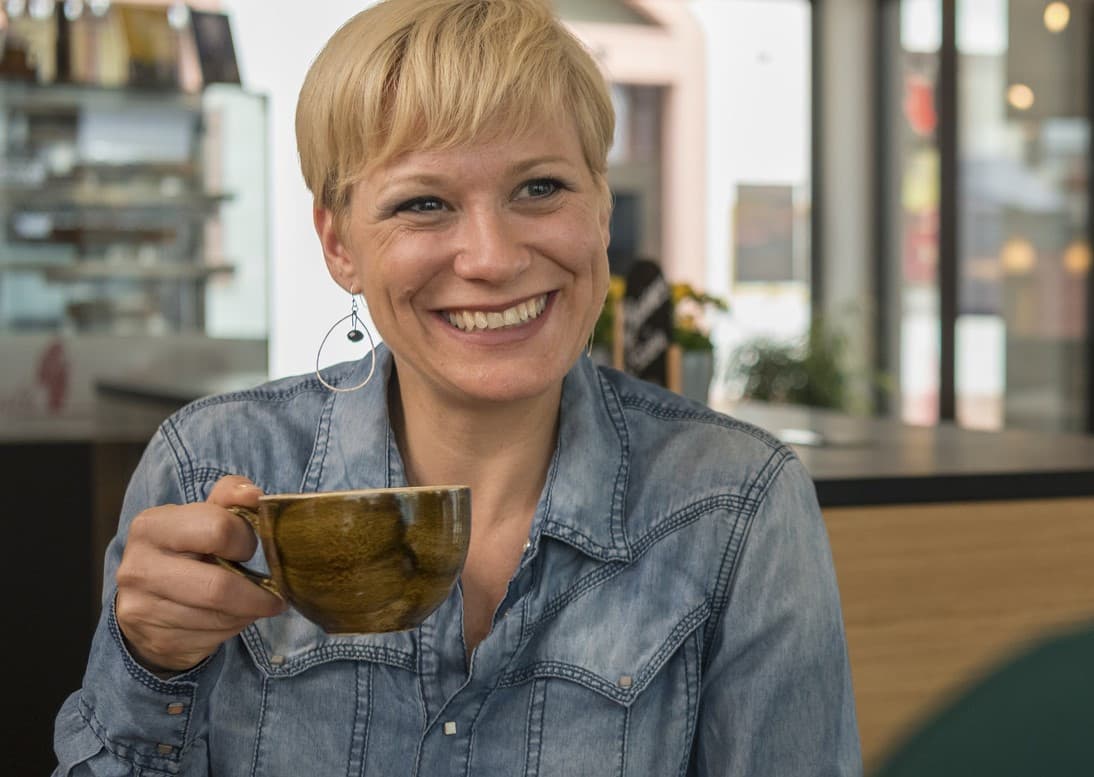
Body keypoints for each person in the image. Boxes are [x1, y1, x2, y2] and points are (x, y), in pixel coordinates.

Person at [53, 1, 861, 774]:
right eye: (425, 203)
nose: (492, 258)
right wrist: (147, 663)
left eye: (540, 188)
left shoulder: (738, 505)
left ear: (602, 205)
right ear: (339, 244)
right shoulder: (210, 467)